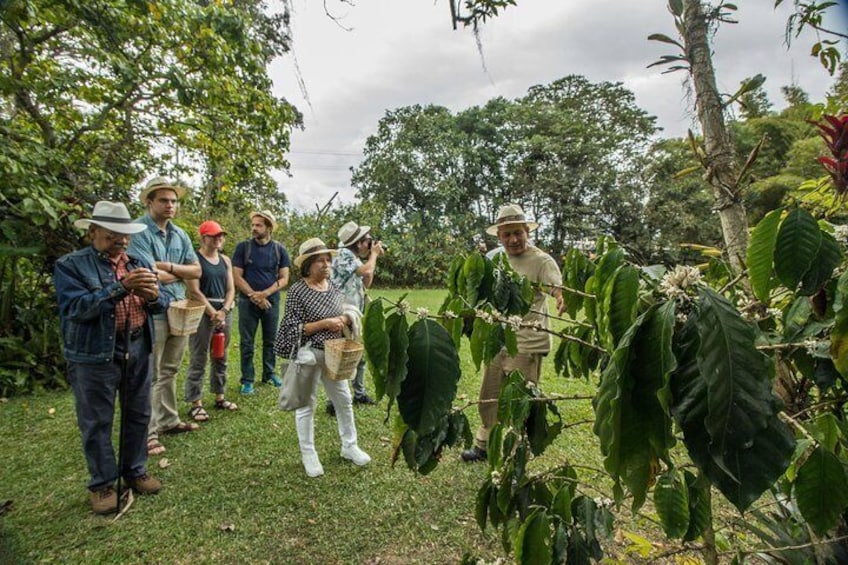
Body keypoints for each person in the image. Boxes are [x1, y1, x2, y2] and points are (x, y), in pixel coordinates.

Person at [55, 201, 167, 514]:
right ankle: (103, 483)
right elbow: (75, 310)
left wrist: (155, 297)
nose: (121, 239)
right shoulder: (71, 265)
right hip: (95, 353)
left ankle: (135, 471)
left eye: (125, 233)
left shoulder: (138, 261)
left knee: (138, 412)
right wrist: (120, 288)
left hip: (137, 345)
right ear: (92, 232)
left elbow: (164, 301)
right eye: (113, 233)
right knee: (96, 420)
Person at [461, 204, 565, 463]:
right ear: (499, 236)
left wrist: (562, 297)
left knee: (520, 402)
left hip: (527, 342)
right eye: (507, 235)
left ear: (527, 232)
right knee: (490, 394)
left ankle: (518, 452)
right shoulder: (496, 259)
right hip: (498, 340)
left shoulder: (541, 261)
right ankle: (483, 445)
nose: (513, 239)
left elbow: (557, 287)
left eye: (518, 233)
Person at [274, 238, 371, 478]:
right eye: (320, 260)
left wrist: (346, 319)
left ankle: (350, 446)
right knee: (307, 405)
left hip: (334, 354)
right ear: (308, 265)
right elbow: (291, 328)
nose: (326, 264)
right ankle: (309, 454)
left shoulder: (333, 288)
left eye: (328, 260)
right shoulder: (298, 291)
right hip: (308, 354)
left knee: (344, 399)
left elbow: (346, 310)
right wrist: (324, 324)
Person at [127, 176, 202, 457]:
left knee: (170, 368)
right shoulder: (138, 231)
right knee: (151, 371)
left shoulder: (179, 234)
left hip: (179, 308)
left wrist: (168, 268)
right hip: (152, 308)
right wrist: (177, 271)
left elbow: (196, 271)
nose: (170, 205)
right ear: (149, 201)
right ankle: (148, 432)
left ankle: (169, 420)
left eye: (174, 201)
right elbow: (146, 273)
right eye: (164, 200)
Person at [326, 220, 384, 414]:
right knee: (341, 356)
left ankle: (359, 393)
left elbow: (367, 281)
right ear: (358, 242)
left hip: (355, 314)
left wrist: (372, 258)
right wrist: (374, 255)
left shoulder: (354, 257)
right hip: (341, 313)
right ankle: (333, 402)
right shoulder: (343, 255)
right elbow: (367, 271)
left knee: (358, 355)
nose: (370, 244)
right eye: (368, 241)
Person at [184, 220, 238, 421]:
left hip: (224, 311)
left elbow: (231, 288)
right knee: (199, 356)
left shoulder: (225, 260)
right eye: (214, 235)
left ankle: (219, 396)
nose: (218, 239)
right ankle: (195, 402)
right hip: (201, 311)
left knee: (220, 354)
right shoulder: (194, 260)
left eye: (221, 235)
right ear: (203, 237)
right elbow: (194, 290)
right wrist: (212, 312)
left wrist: (223, 310)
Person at [232, 211, 290, 395]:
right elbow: (236, 276)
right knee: (247, 341)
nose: (254, 228)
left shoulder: (279, 250)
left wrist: (265, 294)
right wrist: (254, 296)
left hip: (271, 301)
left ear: (269, 228)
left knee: (271, 339)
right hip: (247, 302)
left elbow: (284, 278)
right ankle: (247, 379)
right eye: (253, 225)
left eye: (258, 225)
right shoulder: (243, 247)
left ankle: (269, 373)